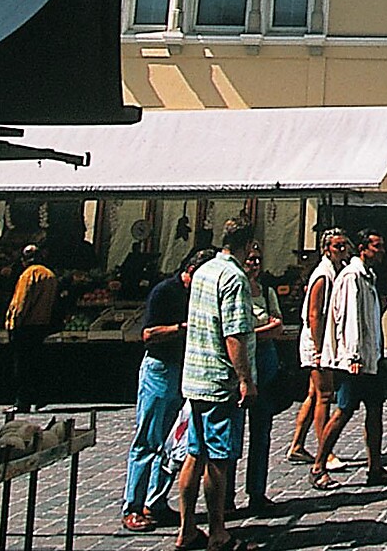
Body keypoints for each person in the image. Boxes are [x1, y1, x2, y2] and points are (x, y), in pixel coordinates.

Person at [176, 220, 258, 551]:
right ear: (248, 244)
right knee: (218, 459)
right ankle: (218, 531)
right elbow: (234, 334)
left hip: (195, 375)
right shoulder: (234, 278)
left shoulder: (204, 270)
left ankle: (186, 529)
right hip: (219, 381)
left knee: (194, 455)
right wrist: (245, 380)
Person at [122, 248, 213, 533]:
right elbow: (148, 334)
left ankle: (156, 501)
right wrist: (181, 328)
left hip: (185, 370)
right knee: (148, 439)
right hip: (160, 369)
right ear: (190, 271)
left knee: (174, 443)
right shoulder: (165, 291)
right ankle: (133, 506)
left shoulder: (199, 293)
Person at [314, 229, 387, 488]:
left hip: (372, 356)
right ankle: (318, 466)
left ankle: (375, 467)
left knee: (374, 409)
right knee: (344, 410)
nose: (381, 250)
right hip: (356, 359)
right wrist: (354, 356)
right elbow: (349, 320)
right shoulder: (352, 277)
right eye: (377, 246)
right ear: (363, 248)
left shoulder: (367, 276)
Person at [286, 230, 346, 467]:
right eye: (337, 246)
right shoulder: (322, 274)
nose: (342, 250)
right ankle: (325, 451)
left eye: (344, 245)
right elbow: (314, 314)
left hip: (324, 340)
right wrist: (321, 349)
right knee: (325, 395)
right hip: (317, 342)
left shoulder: (334, 271)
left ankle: (297, 444)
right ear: (326, 249)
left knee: (313, 394)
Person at [241, 243, 288, 515]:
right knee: (233, 435)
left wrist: (252, 334)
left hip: (266, 362)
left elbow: (278, 326)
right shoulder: (236, 289)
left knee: (261, 432)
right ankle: (225, 497)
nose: (254, 264)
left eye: (258, 259)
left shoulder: (268, 292)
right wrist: (263, 330)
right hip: (243, 362)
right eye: (250, 259)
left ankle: (256, 491)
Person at [4, 245, 58, 414]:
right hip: (42, 325)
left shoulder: (28, 275)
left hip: (26, 326)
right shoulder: (50, 275)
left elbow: (21, 302)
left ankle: (22, 402)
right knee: (36, 363)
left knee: (22, 366)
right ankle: (40, 397)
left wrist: (13, 323)